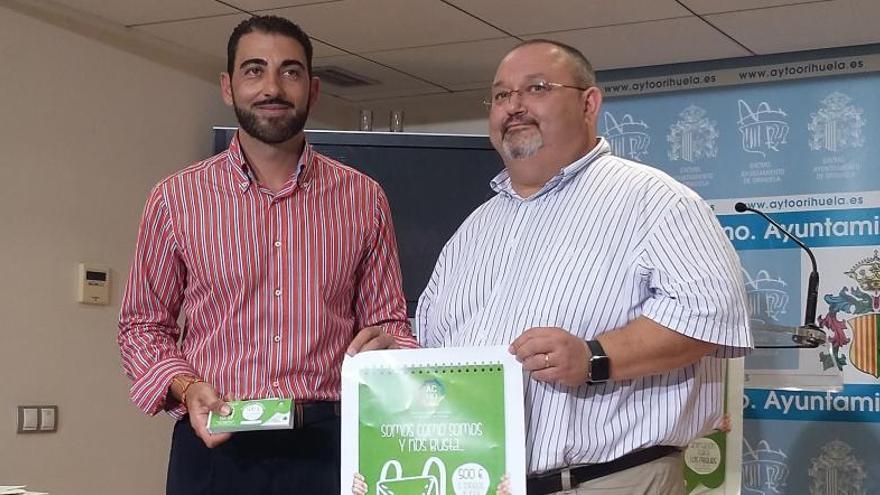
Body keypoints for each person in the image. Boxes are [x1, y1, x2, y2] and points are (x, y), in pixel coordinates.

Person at [416, 40, 752, 494]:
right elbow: (438, 344)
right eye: (500, 95)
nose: (514, 107)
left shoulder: (656, 201)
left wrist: (596, 356)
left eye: (536, 88)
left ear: (588, 103)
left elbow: (710, 319)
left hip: (608, 481)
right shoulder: (474, 229)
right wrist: (393, 354)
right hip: (484, 479)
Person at [117, 15, 416, 494]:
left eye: (290, 71)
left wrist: (388, 347)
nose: (272, 87)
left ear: (313, 90)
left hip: (331, 446)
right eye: (254, 70)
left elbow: (392, 324)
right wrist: (187, 387)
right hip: (215, 445)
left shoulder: (363, 198)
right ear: (228, 86)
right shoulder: (176, 199)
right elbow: (141, 327)